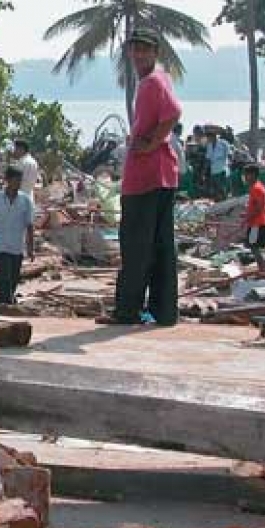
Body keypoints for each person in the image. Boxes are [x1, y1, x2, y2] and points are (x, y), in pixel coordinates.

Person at [98, 29, 182, 326]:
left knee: (135, 247)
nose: (138, 55)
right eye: (135, 49)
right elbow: (171, 115)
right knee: (161, 245)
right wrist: (157, 141)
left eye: (144, 50)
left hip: (145, 177)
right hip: (162, 176)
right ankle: (164, 311)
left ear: (154, 52)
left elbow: (173, 114)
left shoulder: (151, 82)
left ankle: (127, 311)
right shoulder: (162, 79)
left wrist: (151, 142)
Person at [0, 167, 36, 305]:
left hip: (16, 245)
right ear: (7, 180)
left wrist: (30, 248)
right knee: (5, 275)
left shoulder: (25, 201)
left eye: (19, 180)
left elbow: (30, 225)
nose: (18, 183)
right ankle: (4, 303)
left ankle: (7, 299)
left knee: (14, 277)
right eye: (15, 180)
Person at [242, 164, 265, 266]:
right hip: (255, 223)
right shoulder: (256, 187)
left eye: (246, 175)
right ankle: (262, 268)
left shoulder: (256, 188)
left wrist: (248, 218)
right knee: (253, 246)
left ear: (253, 175)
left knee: (254, 246)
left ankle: (263, 269)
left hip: (256, 224)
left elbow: (259, 207)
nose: (245, 177)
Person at [205, 129, 232, 200]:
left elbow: (230, 155)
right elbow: (208, 159)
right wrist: (205, 171)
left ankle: (226, 204)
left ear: (214, 136)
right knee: (215, 191)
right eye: (208, 137)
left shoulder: (224, 143)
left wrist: (229, 164)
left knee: (223, 189)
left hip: (222, 170)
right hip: (213, 171)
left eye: (209, 136)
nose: (208, 138)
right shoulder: (209, 145)